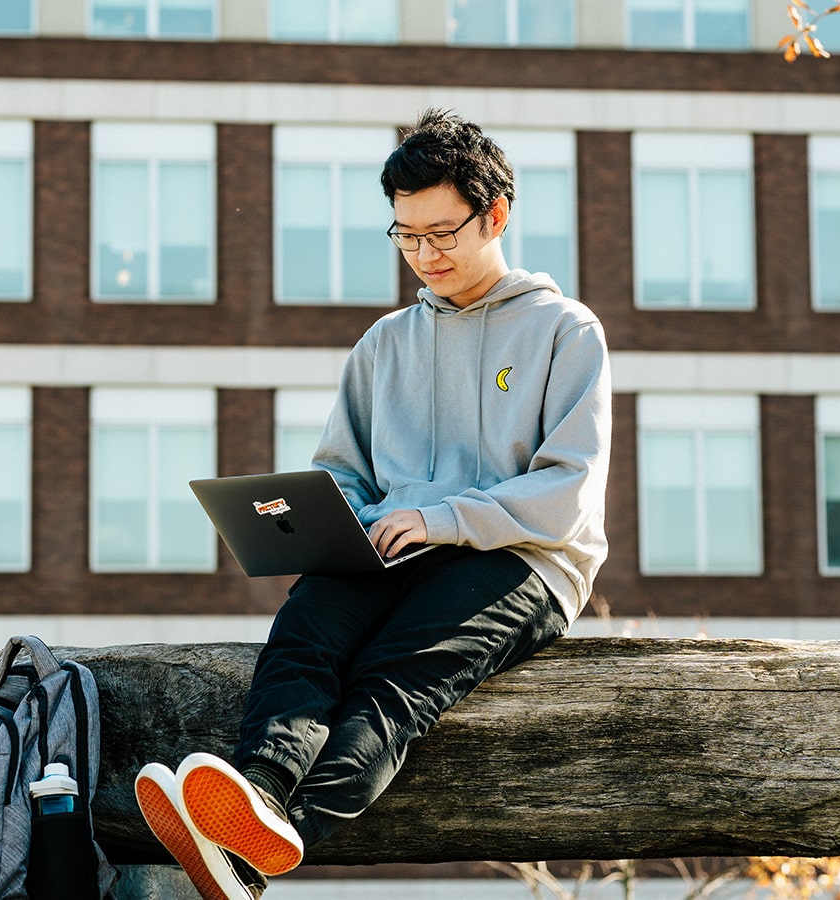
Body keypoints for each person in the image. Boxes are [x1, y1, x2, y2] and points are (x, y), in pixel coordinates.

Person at [134, 109, 611, 898]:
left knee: (393, 679)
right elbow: (345, 473)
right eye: (405, 236)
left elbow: (567, 490)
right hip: (394, 547)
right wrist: (337, 520)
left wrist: (442, 517)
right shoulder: (384, 344)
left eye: (441, 233)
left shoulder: (564, 330)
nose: (424, 256)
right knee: (304, 631)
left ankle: (275, 844)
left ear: (496, 215)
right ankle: (255, 796)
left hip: (521, 558)